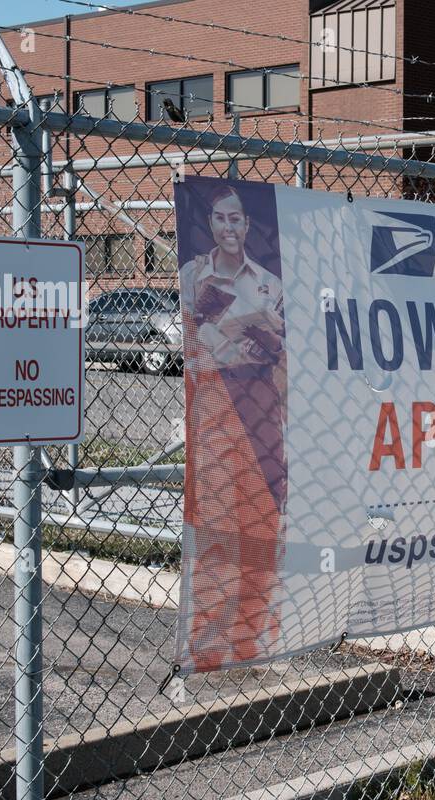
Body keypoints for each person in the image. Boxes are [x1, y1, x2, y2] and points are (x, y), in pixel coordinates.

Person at [177, 183, 287, 671]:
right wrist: (242, 326)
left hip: (259, 402)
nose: (228, 227)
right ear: (211, 223)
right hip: (214, 408)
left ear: (247, 225)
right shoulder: (193, 275)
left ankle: (254, 643)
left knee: (265, 524)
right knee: (219, 531)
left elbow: (276, 349)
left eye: (236, 219)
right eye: (220, 218)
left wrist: (234, 326)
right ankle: (209, 647)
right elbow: (197, 343)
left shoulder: (268, 281)